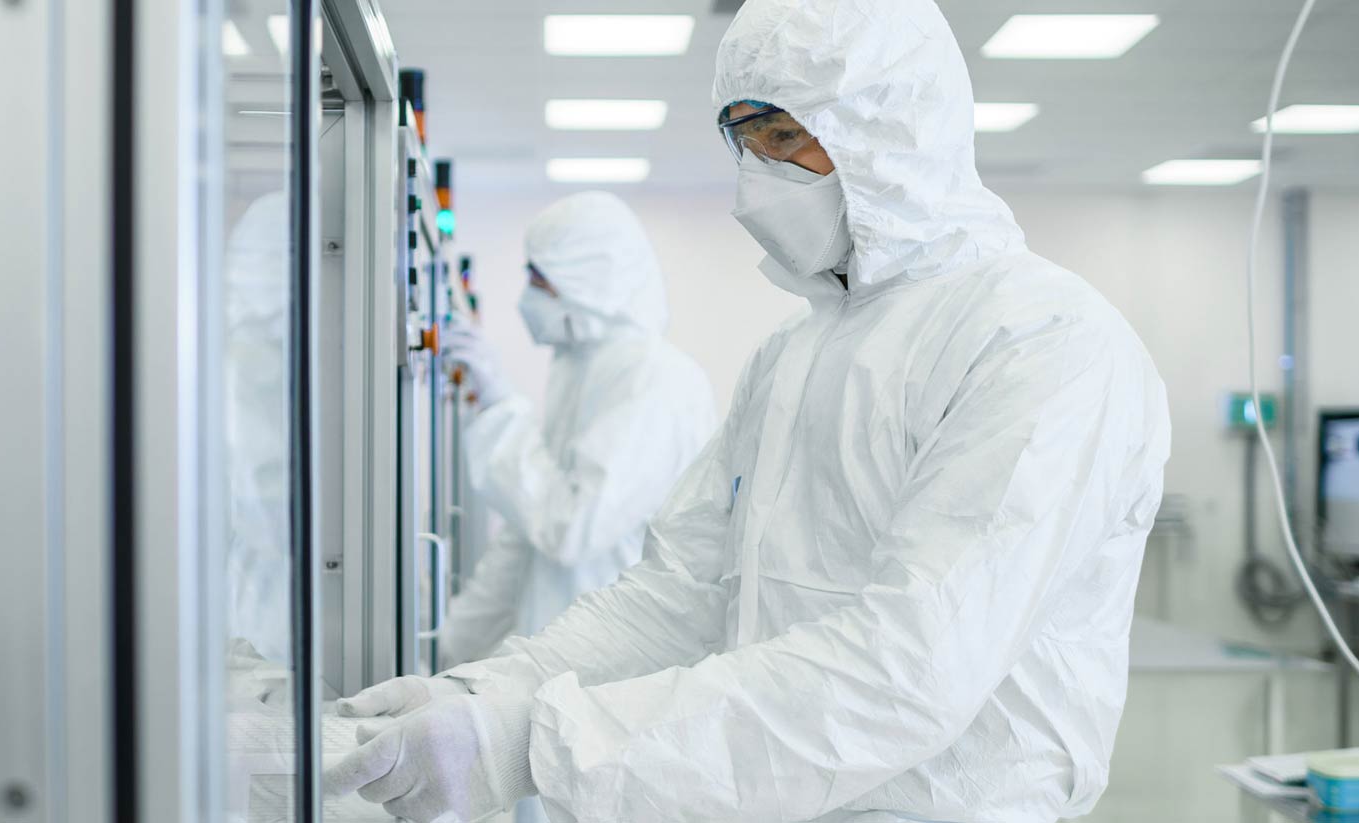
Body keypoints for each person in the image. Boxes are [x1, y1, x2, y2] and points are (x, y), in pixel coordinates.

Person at [325, 0, 1172, 820]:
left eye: (782, 138)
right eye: (743, 143)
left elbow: (908, 666)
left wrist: (529, 742)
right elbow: (681, 593)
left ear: (887, 128)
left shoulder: (1043, 341)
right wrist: (488, 689)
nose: (753, 186)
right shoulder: (794, 353)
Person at [431, 191, 716, 671]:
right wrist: (449, 650)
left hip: (620, 664)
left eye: (540, 280)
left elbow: (570, 527)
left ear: (588, 281)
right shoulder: (580, 371)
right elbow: (525, 533)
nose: (528, 297)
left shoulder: (656, 381)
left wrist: (501, 407)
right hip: (561, 653)